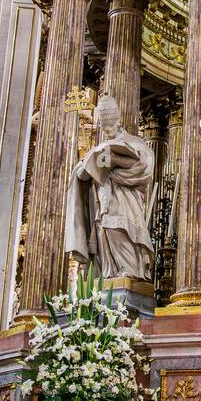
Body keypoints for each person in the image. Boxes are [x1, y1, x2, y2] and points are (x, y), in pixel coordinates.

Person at [65, 95, 154, 281]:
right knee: (103, 235)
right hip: (103, 202)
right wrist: (85, 167)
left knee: (120, 233)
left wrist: (116, 160)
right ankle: (110, 275)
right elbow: (81, 175)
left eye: (111, 128)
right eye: (104, 130)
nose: (108, 133)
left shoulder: (135, 143)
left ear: (119, 122)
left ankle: (129, 272)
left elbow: (145, 166)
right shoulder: (99, 148)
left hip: (125, 204)